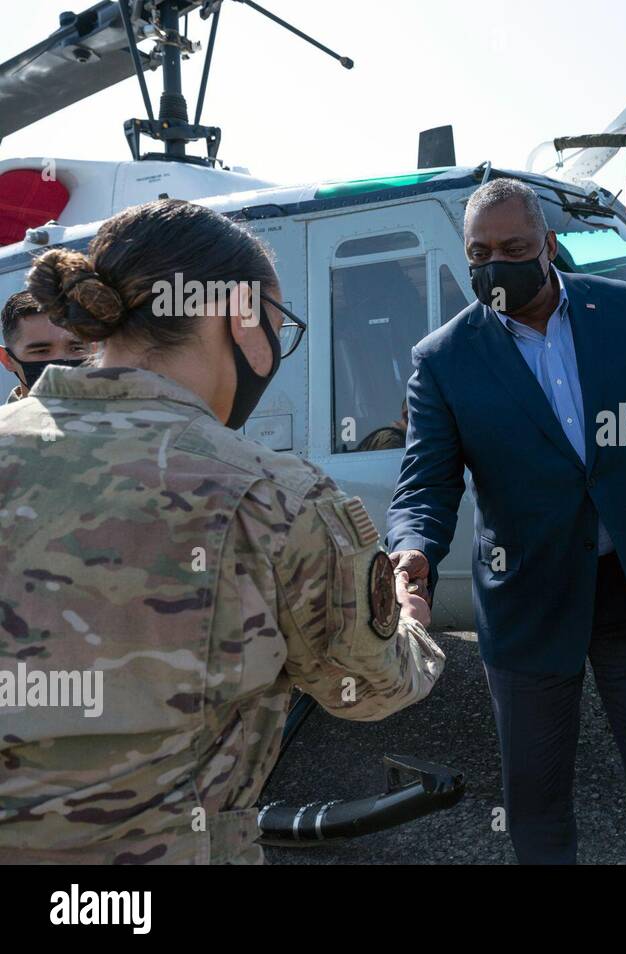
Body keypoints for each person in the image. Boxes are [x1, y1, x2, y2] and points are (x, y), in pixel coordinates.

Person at [0, 199, 444, 864]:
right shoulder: (276, 497)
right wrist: (409, 619)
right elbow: (369, 686)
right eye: (276, 325)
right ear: (237, 316)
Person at [386, 178, 626, 864]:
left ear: (549, 245)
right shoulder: (443, 359)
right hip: (529, 602)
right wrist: (413, 553)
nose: (497, 266)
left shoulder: (625, 313)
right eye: (480, 253)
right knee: (537, 801)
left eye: (515, 247)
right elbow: (425, 485)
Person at [1, 290, 90, 402]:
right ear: (7, 359)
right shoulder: (5, 419)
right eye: (41, 351)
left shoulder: (115, 416)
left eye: (76, 348)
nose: (60, 368)